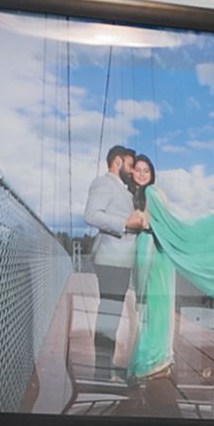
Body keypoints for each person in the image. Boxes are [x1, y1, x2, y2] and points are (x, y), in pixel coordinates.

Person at [78, 143, 143, 377]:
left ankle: (105, 367)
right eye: (130, 165)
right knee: (109, 313)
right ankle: (102, 372)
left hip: (119, 260)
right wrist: (125, 223)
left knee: (111, 314)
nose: (132, 170)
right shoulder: (104, 183)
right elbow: (90, 215)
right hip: (111, 259)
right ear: (117, 161)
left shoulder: (122, 188)